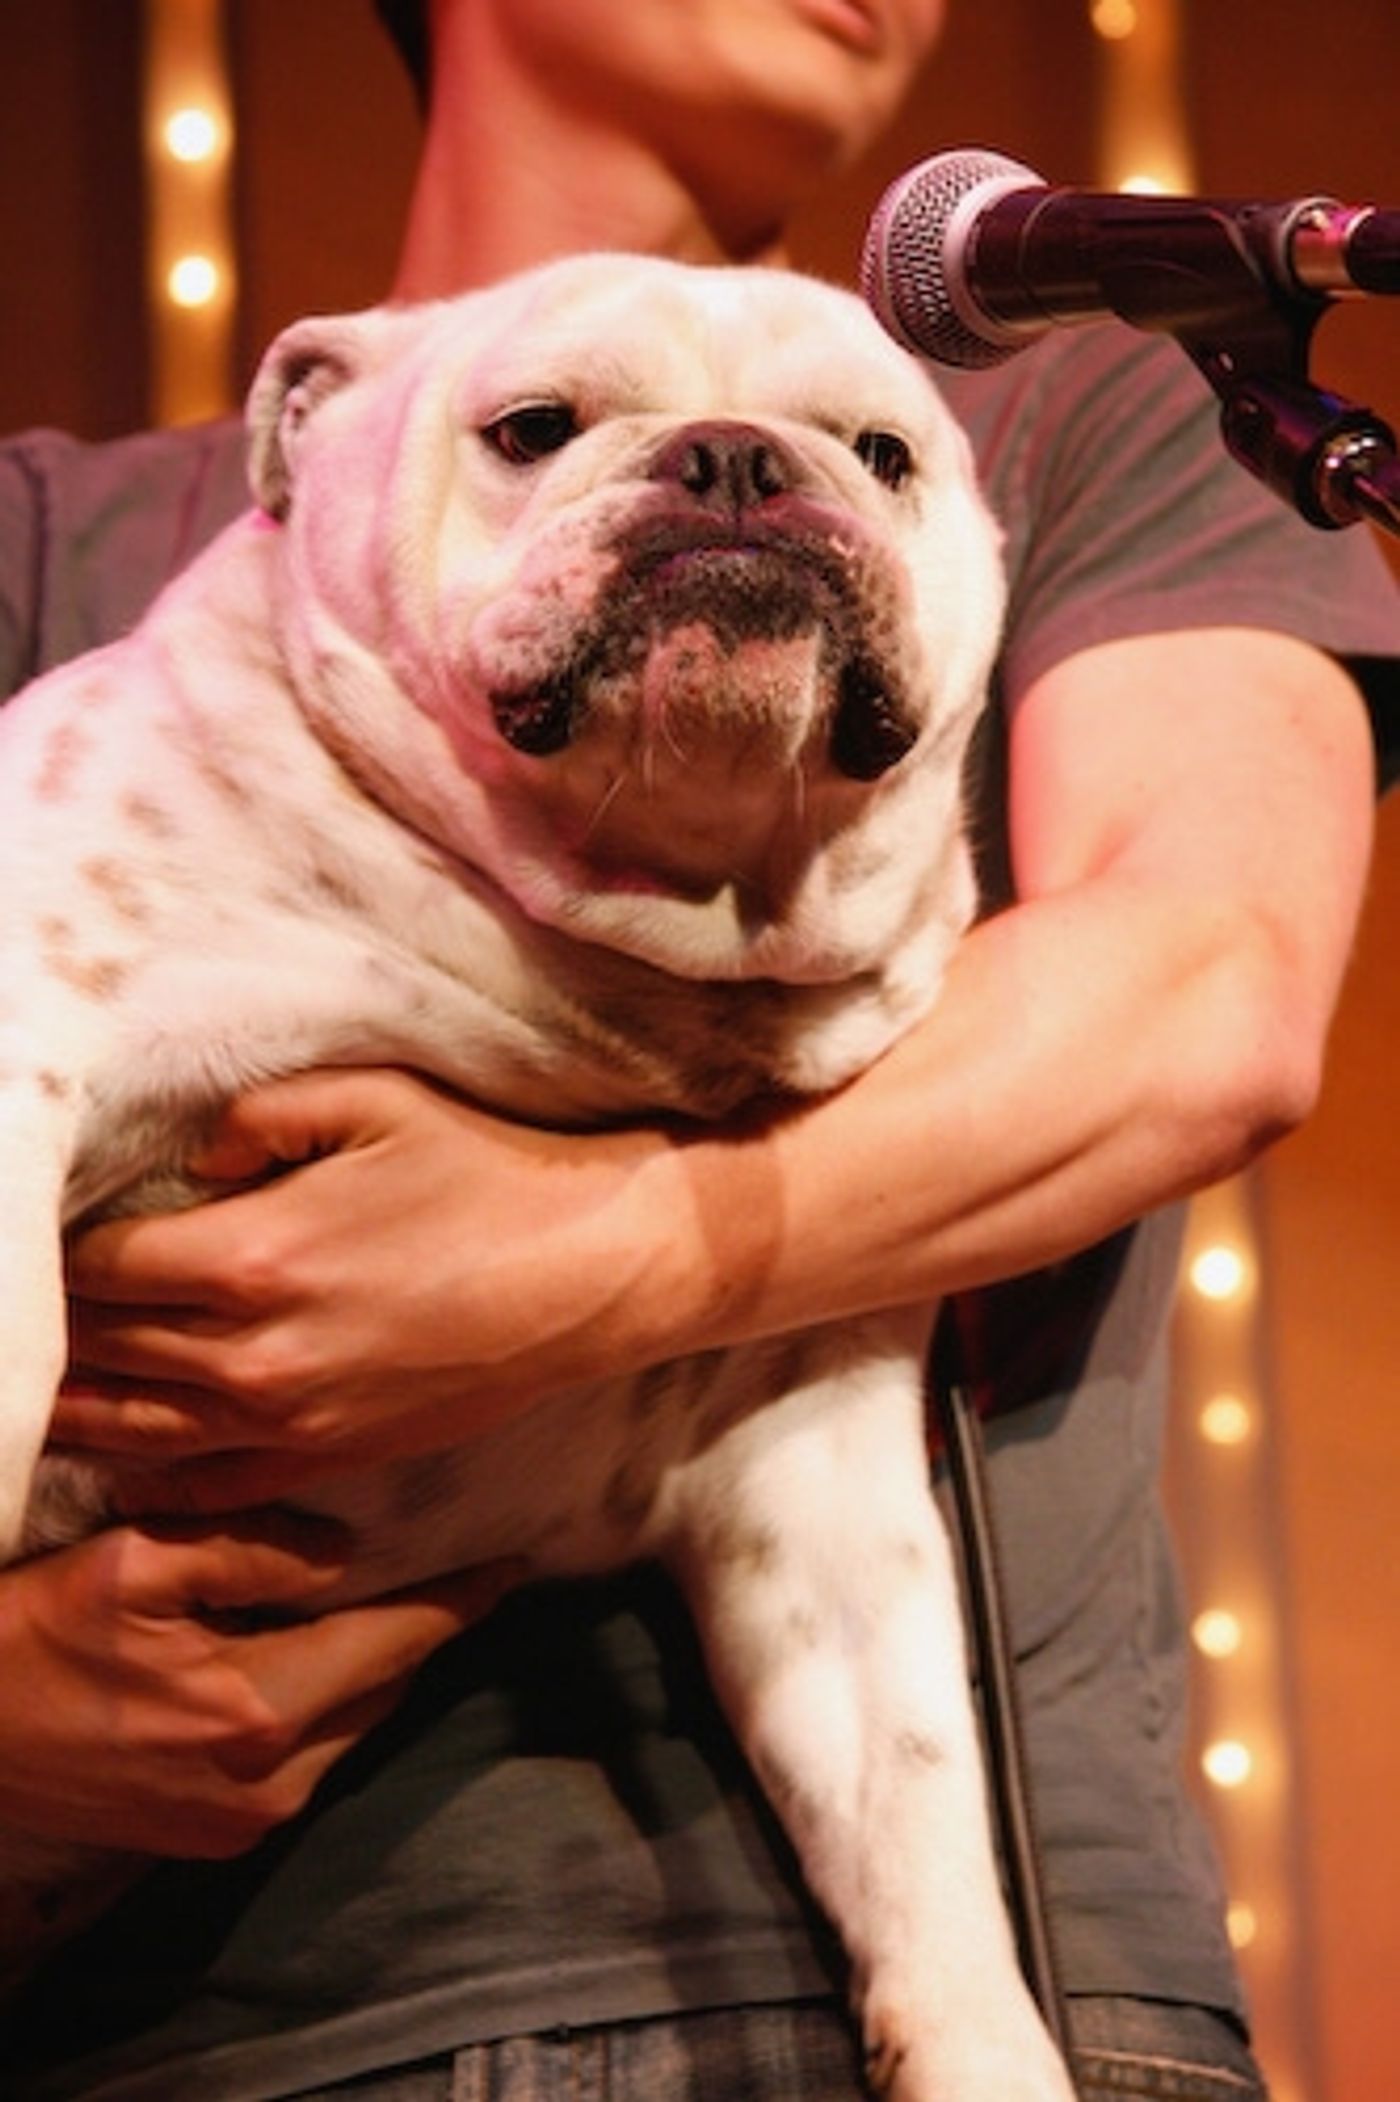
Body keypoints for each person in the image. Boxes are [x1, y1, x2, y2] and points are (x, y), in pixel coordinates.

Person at [1, 1, 1397, 2095]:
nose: (743, 481)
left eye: (869, 460)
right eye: (540, 427)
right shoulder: (58, 540)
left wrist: (574, 1260)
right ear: (315, 438)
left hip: (977, 1991)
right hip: (203, 2037)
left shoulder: (1107, 403)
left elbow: (1209, 991)